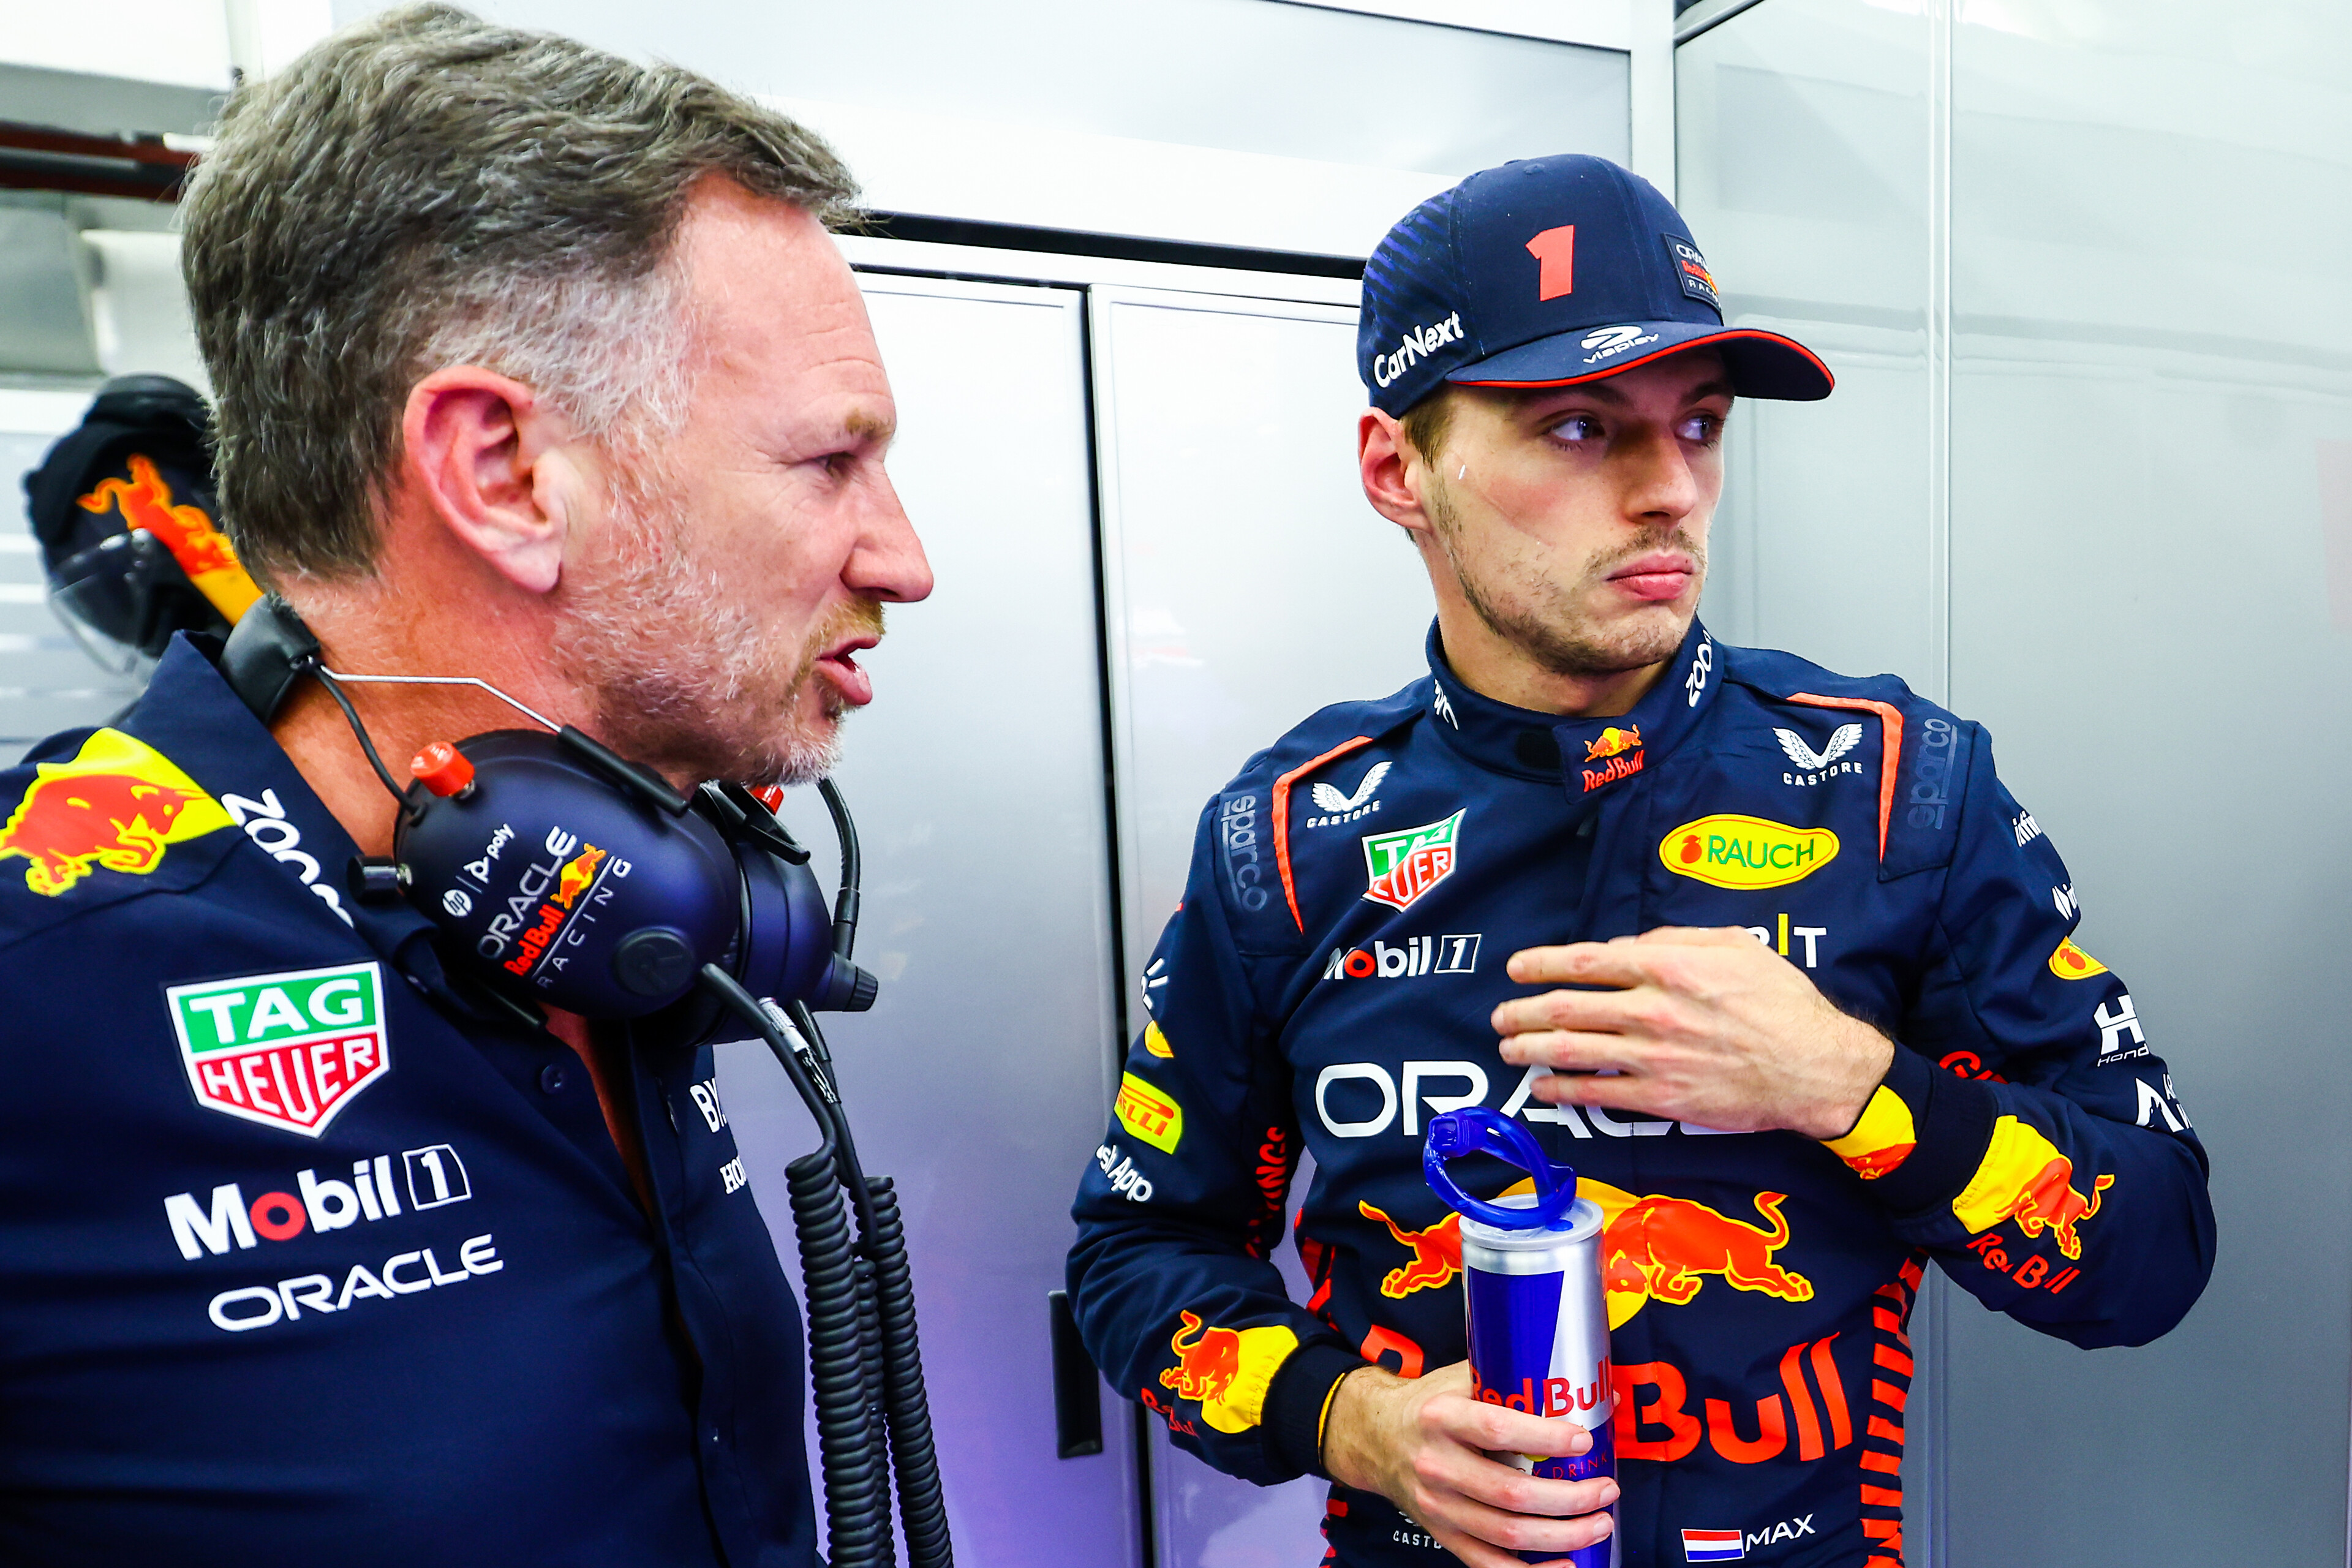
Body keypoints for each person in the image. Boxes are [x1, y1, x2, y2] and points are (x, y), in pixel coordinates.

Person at [1068, 154, 2213, 1568]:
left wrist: (1852, 1085)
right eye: (1578, 426)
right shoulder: (1288, 841)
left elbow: (2154, 1245)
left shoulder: (1901, 790)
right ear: (1397, 469)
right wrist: (1352, 1419)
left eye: (1702, 424)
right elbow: (1136, 1254)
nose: (1671, 489)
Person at [0, 7, 929, 1565]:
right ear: (501, 471)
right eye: (829, 463)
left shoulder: (616, 897)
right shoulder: (41, 980)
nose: (902, 557)